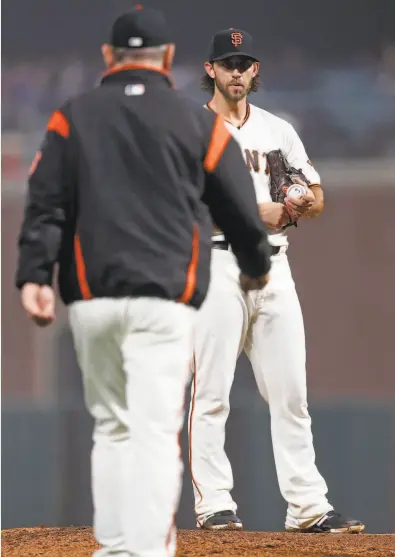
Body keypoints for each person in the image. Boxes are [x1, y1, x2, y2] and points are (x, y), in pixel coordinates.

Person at [15, 10, 272, 557]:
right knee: (155, 432)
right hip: (165, 301)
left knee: (112, 427)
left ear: (109, 58)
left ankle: (113, 548)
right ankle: (148, 551)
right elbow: (240, 207)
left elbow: (45, 204)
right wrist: (255, 265)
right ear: (170, 58)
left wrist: (34, 275)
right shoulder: (198, 123)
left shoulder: (72, 117)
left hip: (92, 299)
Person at [188, 28, 365, 534]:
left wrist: (298, 204)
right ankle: (214, 505)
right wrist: (253, 212)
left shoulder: (278, 130)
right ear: (210, 70)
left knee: (291, 394)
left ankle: (307, 506)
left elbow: (318, 196)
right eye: (227, 63)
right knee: (213, 393)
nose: (237, 72)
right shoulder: (188, 131)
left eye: (244, 63)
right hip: (217, 265)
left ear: (255, 69)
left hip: (274, 267)